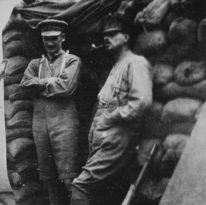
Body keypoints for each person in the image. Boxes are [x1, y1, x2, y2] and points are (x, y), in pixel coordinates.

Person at [71, 14, 153, 205]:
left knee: (80, 185)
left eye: (112, 34)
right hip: (105, 136)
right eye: (105, 35)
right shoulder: (118, 65)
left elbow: (141, 102)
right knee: (102, 192)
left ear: (126, 37)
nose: (106, 38)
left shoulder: (136, 63)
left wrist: (112, 118)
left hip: (118, 135)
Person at [20, 19, 83, 205]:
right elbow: (24, 84)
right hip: (40, 125)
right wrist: (49, 82)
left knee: (69, 176)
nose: (50, 43)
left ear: (63, 38)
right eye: (46, 39)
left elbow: (66, 87)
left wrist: (39, 84)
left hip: (64, 124)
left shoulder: (72, 60)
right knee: (48, 178)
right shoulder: (35, 64)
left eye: (54, 38)